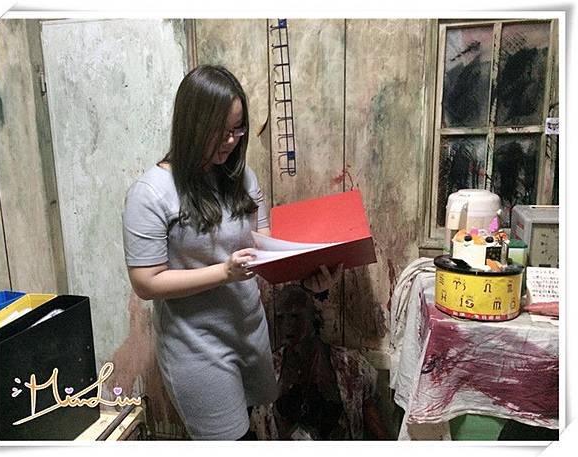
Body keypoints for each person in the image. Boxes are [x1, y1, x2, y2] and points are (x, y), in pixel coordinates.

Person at [122, 65, 338, 440]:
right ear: (192, 125)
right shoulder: (151, 192)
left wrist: (308, 278)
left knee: (247, 425)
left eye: (238, 129)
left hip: (249, 331)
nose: (231, 140)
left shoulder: (242, 178)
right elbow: (146, 282)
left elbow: (264, 248)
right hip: (196, 347)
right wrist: (224, 272)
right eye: (221, 131)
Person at [250, 285, 389, 440]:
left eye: (295, 316)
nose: (287, 324)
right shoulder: (269, 369)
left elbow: (374, 422)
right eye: (281, 318)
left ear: (313, 317)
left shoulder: (350, 365)